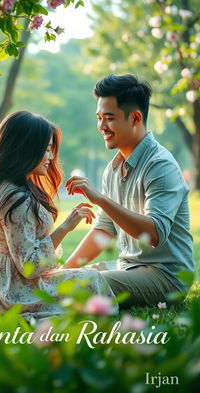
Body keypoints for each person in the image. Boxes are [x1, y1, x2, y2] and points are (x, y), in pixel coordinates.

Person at [0, 111, 116, 320]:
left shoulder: (2, 186)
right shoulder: (17, 199)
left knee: (86, 278)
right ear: (26, 149)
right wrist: (65, 227)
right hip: (10, 292)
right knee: (91, 279)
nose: (51, 157)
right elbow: (30, 267)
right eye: (46, 150)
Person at [63, 74, 195, 308]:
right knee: (63, 281)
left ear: (135, 118)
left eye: (109, 118)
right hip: (127, 268)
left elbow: (154, 233)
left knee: (79, 288)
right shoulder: (112, 170)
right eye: (99, 118)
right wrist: (65, 269)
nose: (102, 126)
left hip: (166, 278)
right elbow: (104, 230)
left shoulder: (160, 165)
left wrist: (101, 200)